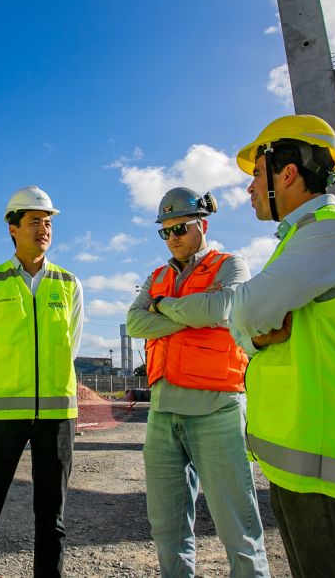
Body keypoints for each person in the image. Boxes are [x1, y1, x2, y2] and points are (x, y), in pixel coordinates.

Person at [228, 114, 335, 577]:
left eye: (256, 175)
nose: (248, 189)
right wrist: (258, 333)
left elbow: (243, 311)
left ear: (287, 173)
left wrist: (252, 333)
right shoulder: (304, 238)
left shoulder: (331, 231)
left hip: (331, 457)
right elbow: (253, 317)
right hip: (308, 455)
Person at [127, 187, 269, 578]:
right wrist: (192, 314)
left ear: (201, 225)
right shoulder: (156, 275)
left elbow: (223, 308)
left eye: (181, 228)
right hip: (162, 410)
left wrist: (163, 307)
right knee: (167, 528)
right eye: (166, 231)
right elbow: (135, 323)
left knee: (237, 528)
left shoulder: (229, 265)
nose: (172, 237)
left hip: (217, 407)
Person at [0, 186, 84, 578]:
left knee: (53, 522)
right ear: (12, 228)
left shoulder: (69, 284)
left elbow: (71, 347)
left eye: (48, 223)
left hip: (58, 418)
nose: (44, 229)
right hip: (2, 417)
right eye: (34, 222)